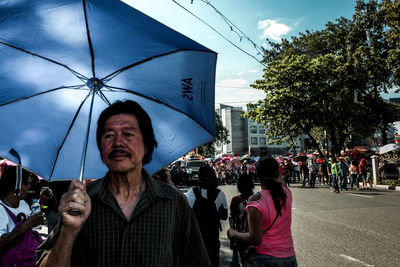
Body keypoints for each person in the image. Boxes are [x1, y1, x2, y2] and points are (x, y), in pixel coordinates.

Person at [37, 100, 210, 266]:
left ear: (147, 144)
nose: (118, 143)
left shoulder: (174, 203)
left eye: (128, 134)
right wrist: (69, 231)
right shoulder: (80, 203)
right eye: (109, 135)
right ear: (100, 146)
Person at [227, 156, 297, 267]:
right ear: (276, 172)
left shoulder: (255, 201)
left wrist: (235, 233)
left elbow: (255, 239)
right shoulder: (286, 193)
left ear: (257, 174)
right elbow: (279, 179)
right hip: (289, 257)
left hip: (264, 259)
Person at [0, 166, 45, 265]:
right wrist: (27, 225)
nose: (29, 186)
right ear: (15, 185)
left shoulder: (23, 204)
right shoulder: (1, 210)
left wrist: (41, 202)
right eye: (26, 183)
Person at [185, 165, 228, 267]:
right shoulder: (220, 194)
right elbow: (224, 216)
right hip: (212, 239)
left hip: (195, 239)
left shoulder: (191, 193)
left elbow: (185, 214)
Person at [230, 174, 255, 267]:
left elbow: (232, 219)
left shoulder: (236, 200)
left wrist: (233, 239)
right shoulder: (259, 199)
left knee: (245, 262)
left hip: (241, 235)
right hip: (256, 233)